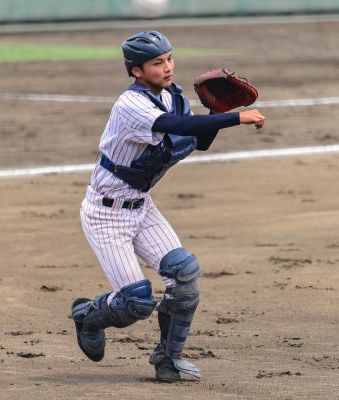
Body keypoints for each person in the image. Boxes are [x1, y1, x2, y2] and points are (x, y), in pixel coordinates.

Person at [71, 30, 265, 382]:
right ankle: (88, 316)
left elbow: (197, 139)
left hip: (141, 207)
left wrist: (215, 111)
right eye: (157, 63)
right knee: (137, 302)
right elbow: (175, 126)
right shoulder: (131, 105)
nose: (167, 67)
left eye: (170, 59)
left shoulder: (174, 98)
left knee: (185, 274)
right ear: (136, 71)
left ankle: (168, 359)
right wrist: (236, 118)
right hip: (106, 214)